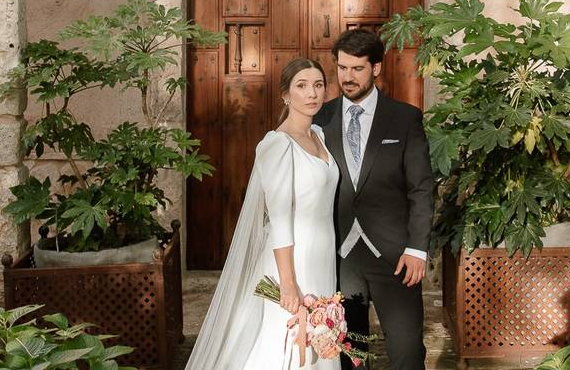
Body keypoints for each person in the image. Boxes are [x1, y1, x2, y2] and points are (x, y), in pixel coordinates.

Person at [186, 57, 340, 370]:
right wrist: (287, 282)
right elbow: (280, 218)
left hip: (322, 255)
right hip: (293, 261)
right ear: (286, 94)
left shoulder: (319, 136)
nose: (311, 93)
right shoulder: (277, 144)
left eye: (318, 85)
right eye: (301, 85)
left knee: (317, 344)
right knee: (283, 343)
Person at [313, 29, 434, 370]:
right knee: (352, 355)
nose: (347, 77)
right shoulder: (320, 119)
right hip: (340, 257)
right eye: (341, 68)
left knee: (407, 352)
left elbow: (422, 187)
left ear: (376, 68)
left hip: (396, 258)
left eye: (357, 69)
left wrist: (417, 248)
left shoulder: (404, 118)